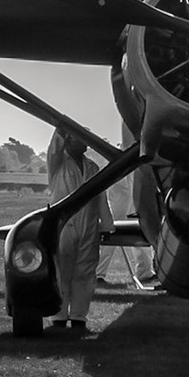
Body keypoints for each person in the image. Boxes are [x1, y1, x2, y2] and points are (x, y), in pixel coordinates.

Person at [46, 128, 114, 332]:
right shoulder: (57, 163)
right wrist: (61, 126)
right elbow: (53, 148)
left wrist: (106, 224)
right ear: (67, 141)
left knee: (85, 270)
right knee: (61, 270)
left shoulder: (92, 167)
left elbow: (101, 195)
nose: (86, 143)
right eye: (80, 138)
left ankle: (78, 317)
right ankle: (58, 317)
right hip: (63, 224)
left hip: (89, 223)